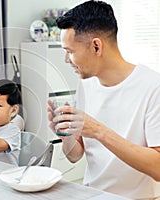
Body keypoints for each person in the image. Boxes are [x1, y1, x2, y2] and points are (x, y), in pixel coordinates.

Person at [47, 1, 160, 199]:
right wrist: (66, 135)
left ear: (96, 46)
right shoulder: (86, 84)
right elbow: (75, 156)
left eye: (70, 52)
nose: (67, 60)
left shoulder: (153, 86)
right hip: (89, 194)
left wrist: (99, 131)